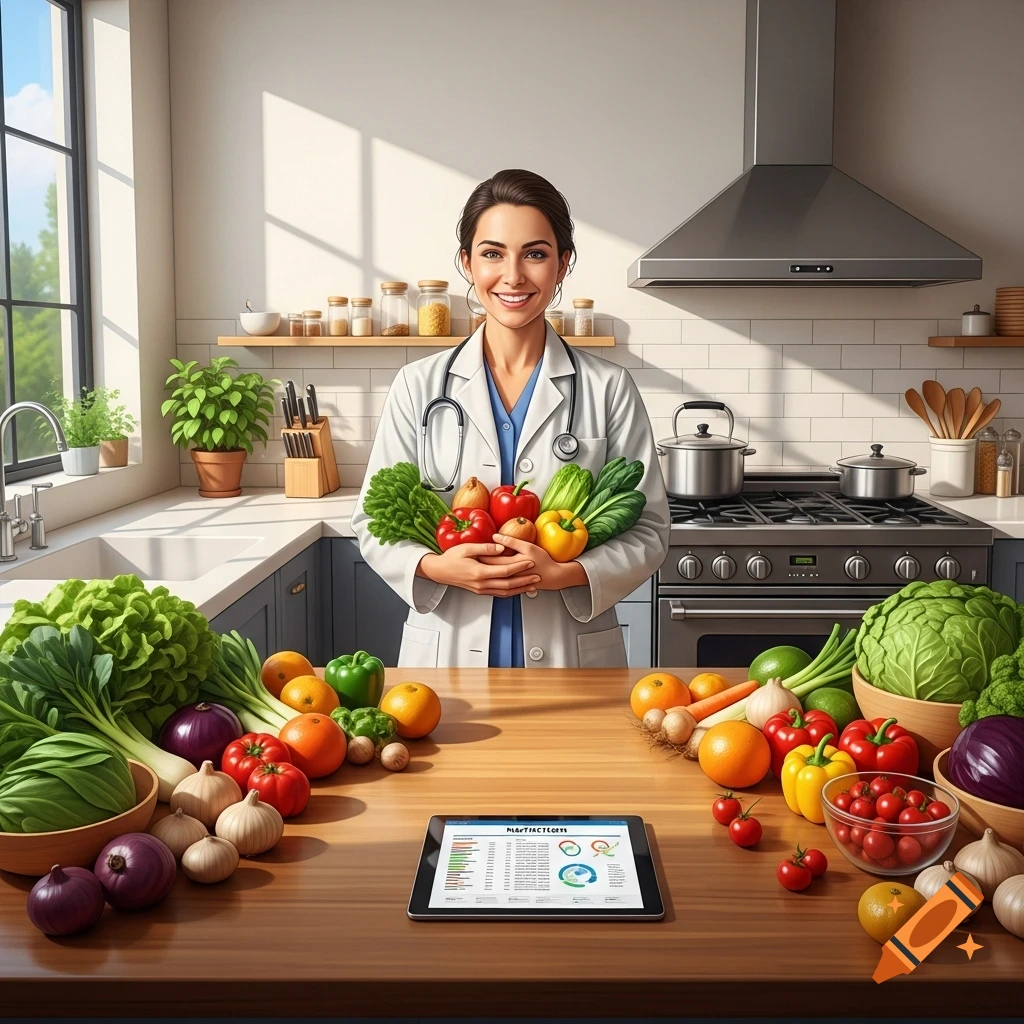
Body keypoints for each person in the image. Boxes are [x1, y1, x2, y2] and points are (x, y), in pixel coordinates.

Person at [351, 168, 669, 668]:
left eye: (536, 254)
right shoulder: (418, 386)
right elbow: (372, 522)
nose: (514, 276)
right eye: (493, 253)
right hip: (446, 654)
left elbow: (649, 530)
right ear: (467, 263)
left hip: (573, 658)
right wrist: (437, 567)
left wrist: (561, 573)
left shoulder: (608, 388)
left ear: (563, 264)